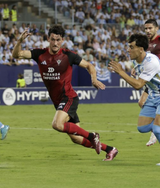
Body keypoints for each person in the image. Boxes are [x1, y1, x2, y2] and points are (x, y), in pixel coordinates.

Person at [12, 25, 118, 161]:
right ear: (48, 39)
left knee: (56, 124)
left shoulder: (68, 56)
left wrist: (94, 79)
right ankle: (110, 149)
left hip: (68, 98)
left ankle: (92, 136)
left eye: (58, 40)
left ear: (62, 40)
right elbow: (16, 55)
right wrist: (20, 41)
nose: (55, 43)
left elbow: (89, 66)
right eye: (52, 39)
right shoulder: (39, 54)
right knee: (76, 138)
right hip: (58, 101)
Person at [109, 33, 160, 166]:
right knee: (143, 127)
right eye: (128, 47)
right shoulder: (136, 60)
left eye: (131, 47)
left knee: (157, 130)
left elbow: (138, 85)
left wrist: (121, 72)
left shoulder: (151, 62)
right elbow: (139, 72)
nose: (128, 50)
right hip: (153, 95)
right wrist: (134, 70)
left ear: (141, 49)